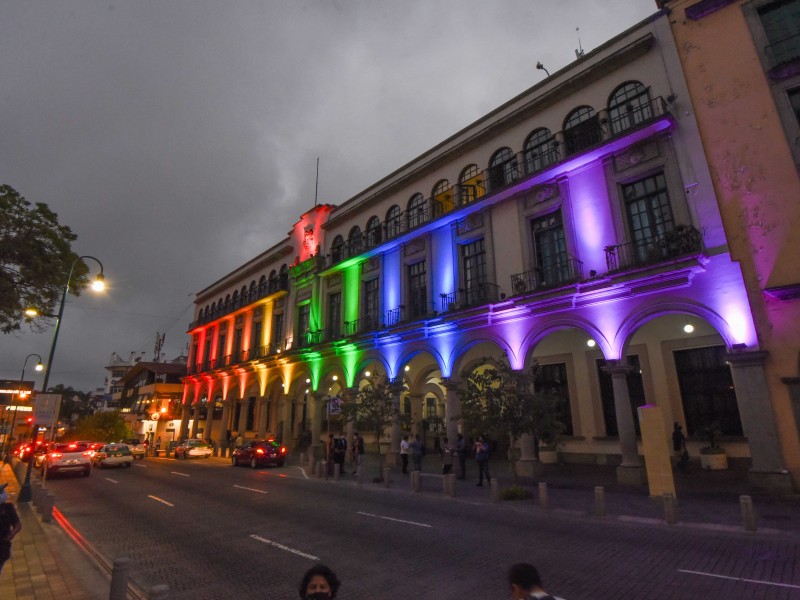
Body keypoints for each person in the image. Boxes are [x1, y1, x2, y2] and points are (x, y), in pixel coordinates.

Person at [0, 483, 22, 575]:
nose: (3, 494)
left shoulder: (8, 507)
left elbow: (17, 523)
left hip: (2, 548)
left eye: (2, 492)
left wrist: (12, 533)